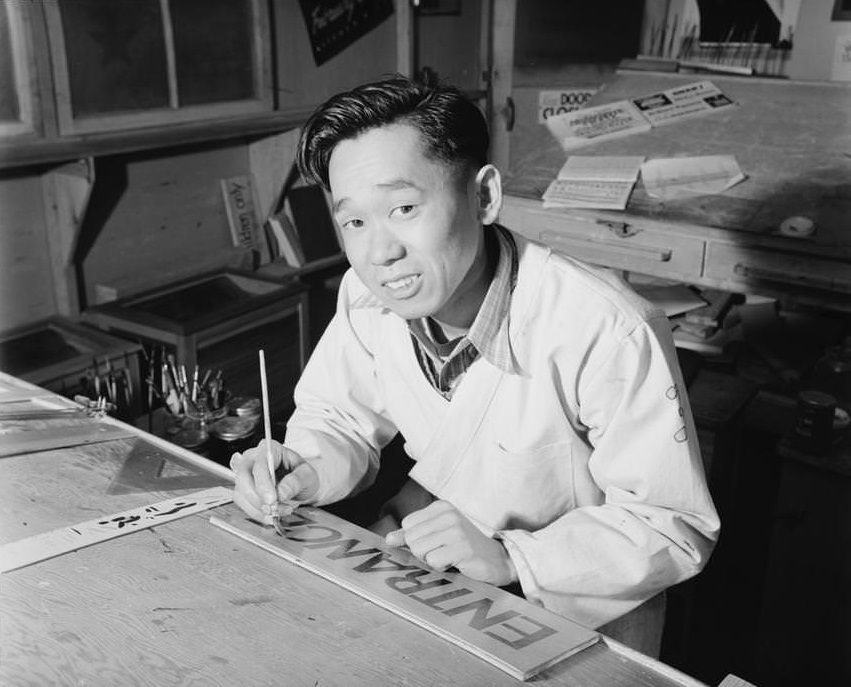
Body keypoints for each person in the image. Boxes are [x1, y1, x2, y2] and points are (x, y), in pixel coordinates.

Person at [230, 74, 720, 656]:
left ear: (483, 196)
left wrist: (513, 556)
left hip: (579, 617)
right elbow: (338, 419)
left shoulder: (605, 327)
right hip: (431, 583)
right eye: (355, 221)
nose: (379, 252)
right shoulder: (368, 297)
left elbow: (671, 525)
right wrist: (305, 471)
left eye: (404, 207)